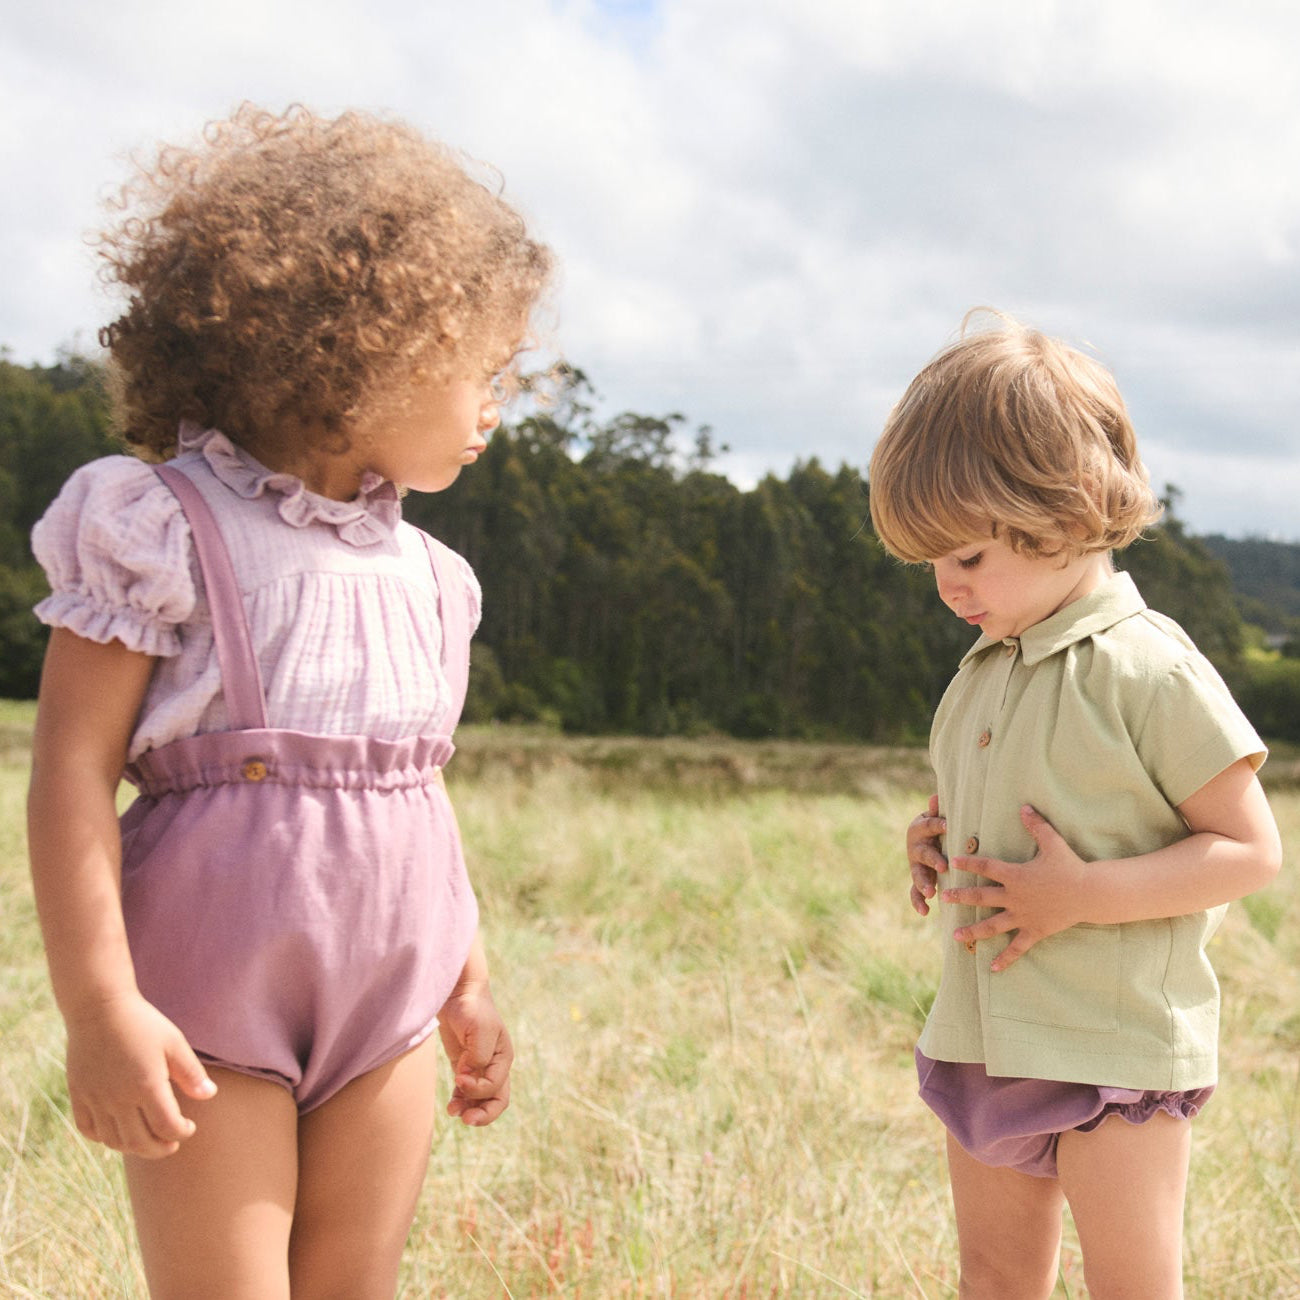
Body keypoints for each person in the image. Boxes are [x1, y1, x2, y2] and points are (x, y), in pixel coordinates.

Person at [26, 104, 551, 1299]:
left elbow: (412, 791)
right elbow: (66, 776)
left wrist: (464, 979)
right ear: (371, 350)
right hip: (212, 1001)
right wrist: (100, 1008)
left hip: (392, 1008)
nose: (494, 408)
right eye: (485, 370)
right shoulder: (157, 524)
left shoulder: (433, 579)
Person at [868, 313, 1282, 1299]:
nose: (946, 586)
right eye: (931, 562)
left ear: (1062, 512)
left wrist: (1079, 895)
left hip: (1116, 1048)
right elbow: (985, 810)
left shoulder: (1149, 667)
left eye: (967, 557)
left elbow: (1249, 848)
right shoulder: (978, 670)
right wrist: (931, 842)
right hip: (982, 1034)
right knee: (993, 1276)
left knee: (1132, 1283)